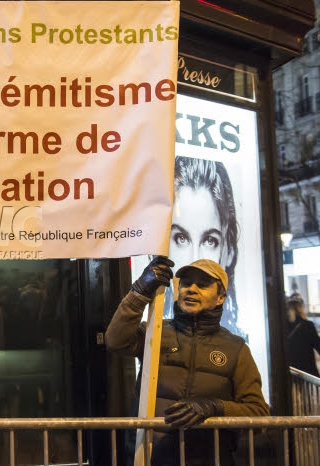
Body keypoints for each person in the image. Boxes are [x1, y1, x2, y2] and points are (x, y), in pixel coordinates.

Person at [105, 257, 269, 465]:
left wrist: (214, 407)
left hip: (209, 459)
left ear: (220, 298)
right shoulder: (155, 332)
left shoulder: (236, 349)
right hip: (151, 458)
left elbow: (259, 414)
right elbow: (115, 340)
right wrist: (139, 291)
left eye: (202, 285)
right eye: (185, 283)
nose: (191, 289)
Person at [165, 156, 244, 338]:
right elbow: (116, 340)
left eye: (210, 240)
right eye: (181, 238)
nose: (195, 260)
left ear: (229, 250)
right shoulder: (155, 337)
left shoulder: (236, 350)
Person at [286, 295, 320, 377]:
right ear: (301, 309)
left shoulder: (282, 328)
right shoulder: (308, 326)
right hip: (307, 374)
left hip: (290, 374)